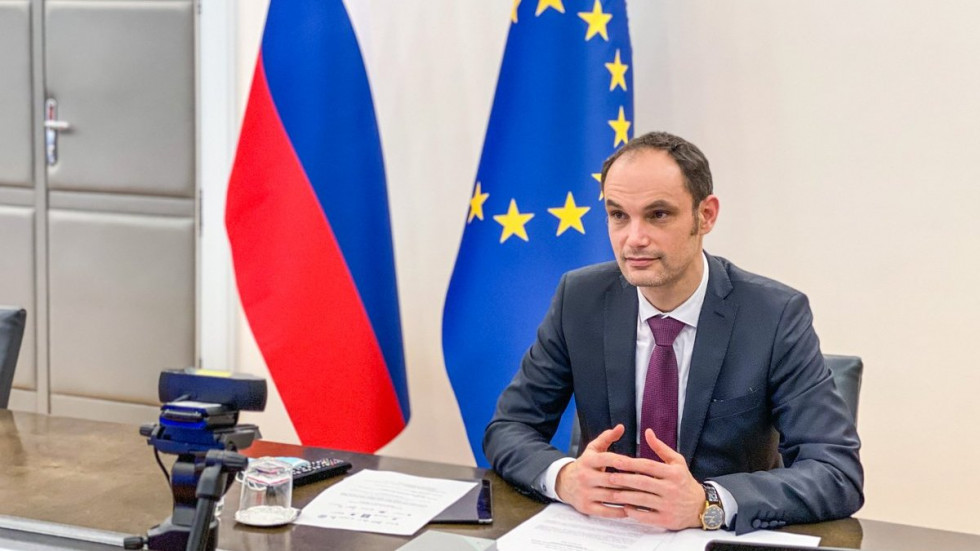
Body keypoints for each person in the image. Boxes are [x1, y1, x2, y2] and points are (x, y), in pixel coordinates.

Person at [483, 131, 863, 534]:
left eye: (658, 214)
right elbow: (509, 428)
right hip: (602, 536)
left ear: (706, 215)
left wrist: (708, 501)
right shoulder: (580, 299)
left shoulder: (774, 315)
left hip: (717, 539)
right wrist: (564, 478)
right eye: (618, 215)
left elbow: (836, 471)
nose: (634, 238)